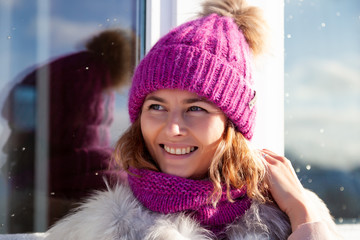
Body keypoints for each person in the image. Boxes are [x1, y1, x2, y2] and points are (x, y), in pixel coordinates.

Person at [45, 0, 342, 239]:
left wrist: (303, 215)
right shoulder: (97, 229)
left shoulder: (290, 220)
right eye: (157, 107)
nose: (173, 128)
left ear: (233, 123)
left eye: (196, 108)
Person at [1, 29, 133, 232]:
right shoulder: (125, 197)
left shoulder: (118, 209)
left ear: (58, 129)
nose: (7, 146)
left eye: (20, 128)